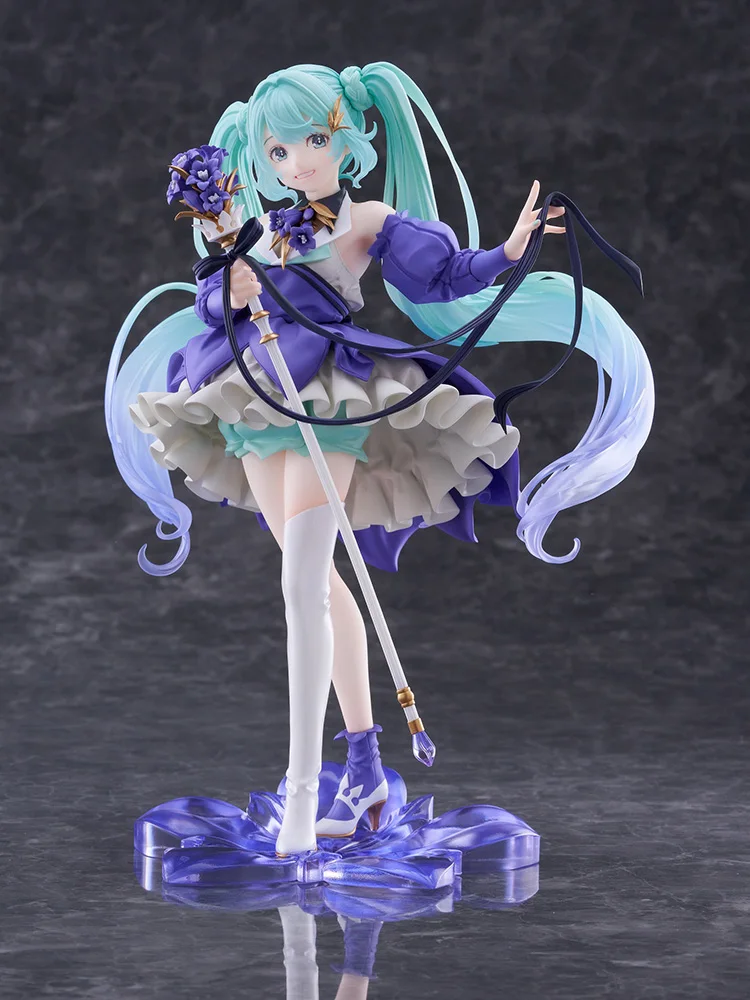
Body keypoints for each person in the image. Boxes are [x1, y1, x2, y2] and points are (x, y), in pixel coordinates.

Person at [108, 62, 654, 858]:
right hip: (252, 395)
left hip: (330, 399)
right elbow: (211, 298)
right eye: (279, 150)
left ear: (347, 137)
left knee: (302, 583)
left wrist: (508, 251)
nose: (296, 161)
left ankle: (303, 794)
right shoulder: (258, 225)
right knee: (317, 584)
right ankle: (362, 771)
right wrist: (231, 289)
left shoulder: (366, 218)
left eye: (311, 140)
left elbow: (442, 277)